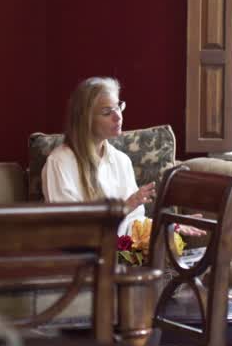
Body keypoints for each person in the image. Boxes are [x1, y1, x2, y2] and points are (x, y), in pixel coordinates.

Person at [42, 77, 154, 236]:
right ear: (86, 120)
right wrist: (125, 207)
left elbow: (134, 222)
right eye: (107, 112)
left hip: (122, 254)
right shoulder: (59, 162)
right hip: (81, 257)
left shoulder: (121, 161)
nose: (118, 116)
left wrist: (165, 229)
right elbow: (69, 228)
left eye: (118, 107)